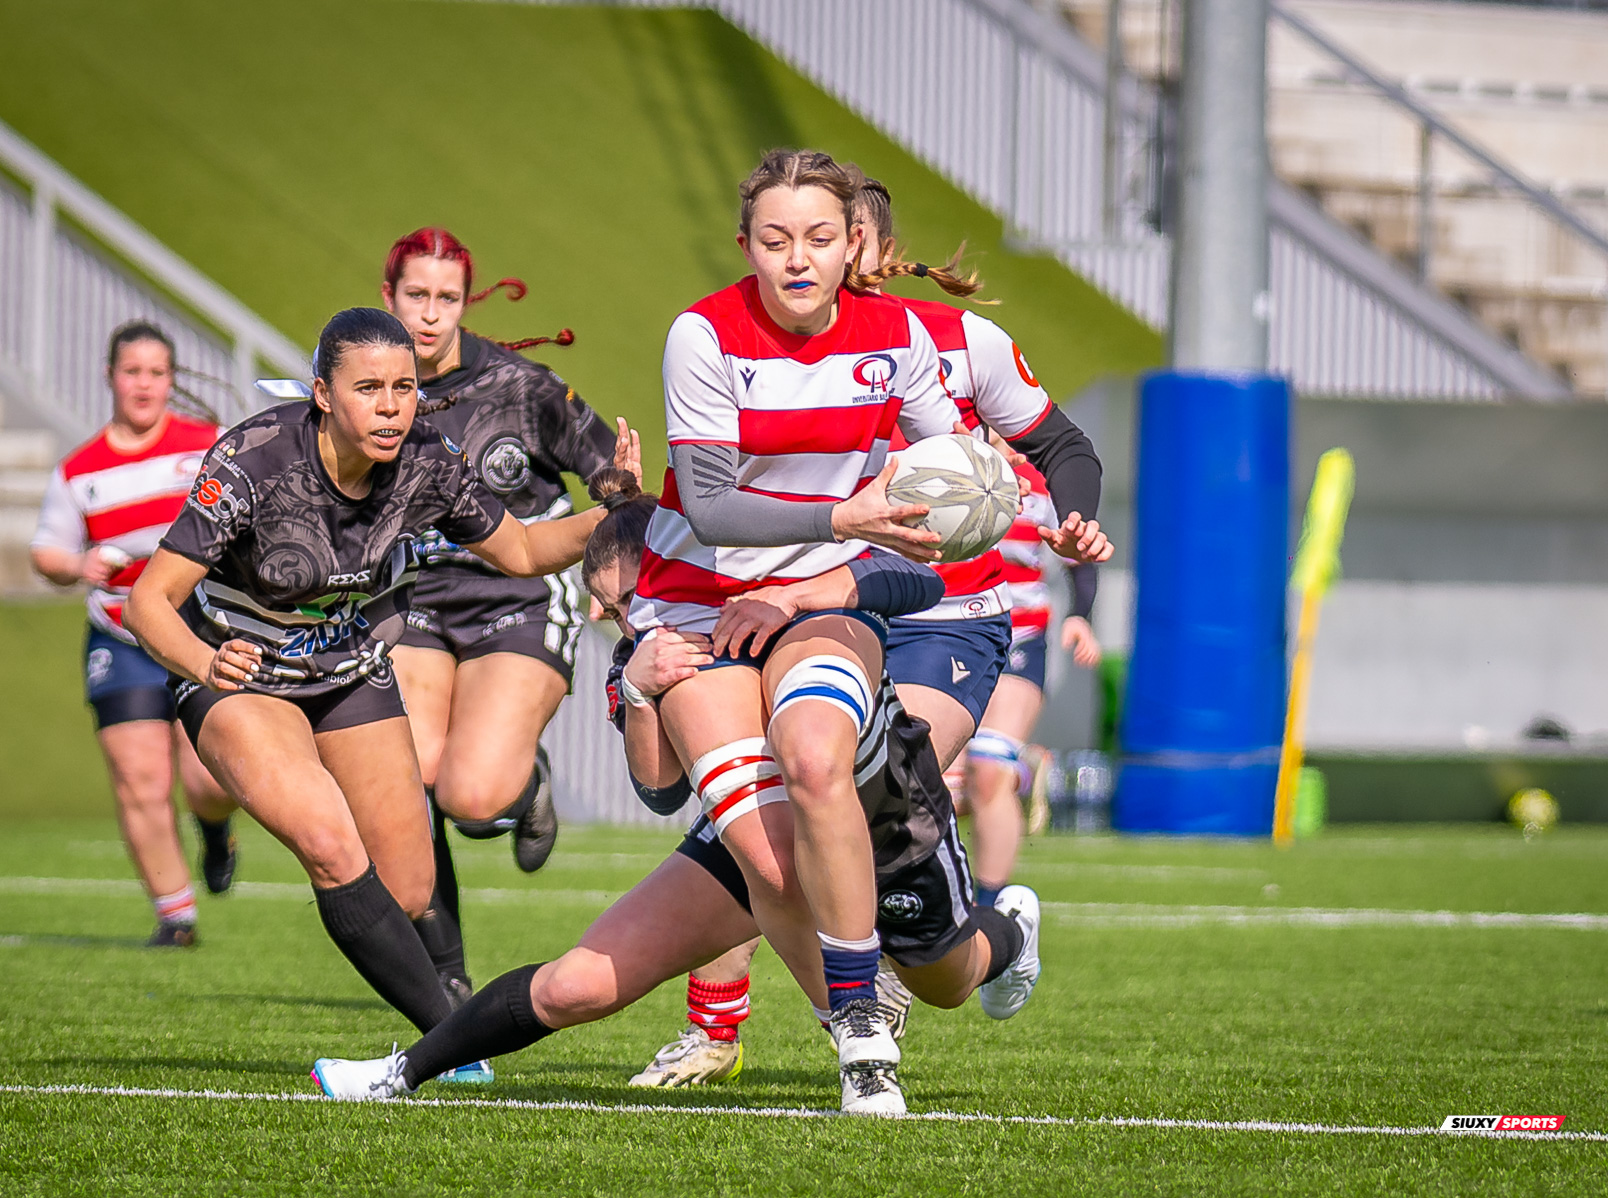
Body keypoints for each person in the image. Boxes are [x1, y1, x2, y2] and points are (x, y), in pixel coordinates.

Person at [309, 469, 1042, 1108]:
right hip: (755, 842)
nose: (610, 616)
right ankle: (397, 1073)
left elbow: (922, 580)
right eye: (605, 604)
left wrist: (803, 598)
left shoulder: (773, 587)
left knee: (951, 979)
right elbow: (658, 791)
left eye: (620, 597)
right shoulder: (648, 647)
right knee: (578, 987)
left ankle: (1010, 929)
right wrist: (636, 689)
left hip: (879, 819)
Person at [628, 164, 1114, 1086]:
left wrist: (1065, 515)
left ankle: (967, 929)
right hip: (810, 592)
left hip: (938, 607)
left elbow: (1059, 447)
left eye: (844, 243)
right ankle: (727, 1020)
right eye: (785, 242)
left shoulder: (952, 343)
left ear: (866, 246)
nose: (835, 266)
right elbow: (719, 498)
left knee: (880, 777)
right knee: (756, 806)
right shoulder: (749, 338)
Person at [123, 307, 609, 1049]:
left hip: (349, 666)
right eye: (369, 388)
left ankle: (448, 1010)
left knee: (411, 887)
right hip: (239, 667)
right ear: (322, 393)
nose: (390, 406)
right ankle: (450, 1040)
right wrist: (202, 663)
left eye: (405, 387)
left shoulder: (429, 458)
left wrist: (627, 513)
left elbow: (522, 551)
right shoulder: (253, 461)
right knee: (327, 841)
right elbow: (147, 602)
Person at [377, 227, 620, 1011]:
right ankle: (445, 972)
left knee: (473, 798)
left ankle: (527, 782)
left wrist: (616, 545)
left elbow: (611, 472)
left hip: (517, 594)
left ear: (465, 304)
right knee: (403, 778)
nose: (430, 314)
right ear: (389, 298)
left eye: (447, 299)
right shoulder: (369, 382)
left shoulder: (524, 386)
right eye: (416, 296)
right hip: (409, 599)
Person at [30, 320, 239, 948]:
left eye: (156, 372)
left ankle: (214, 831)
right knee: (140, 778)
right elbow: (46, 551)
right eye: (132, 371)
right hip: (120, 639)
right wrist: (78, 566)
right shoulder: (79, 471)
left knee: (208, 779)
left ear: (171, 380)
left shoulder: (209, 446)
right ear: (110, 376)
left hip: (199, 631)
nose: (143, 384)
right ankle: (176, 917)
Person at [964, 460, 1102, 908]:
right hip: (942, 636)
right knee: (938, 786)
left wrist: (1080, 615)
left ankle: (988, 909)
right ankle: (1023, 769)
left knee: (987, 772)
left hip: (1019, 638)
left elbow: (1077, 558)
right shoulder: (941, 459)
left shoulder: (1044, 483)